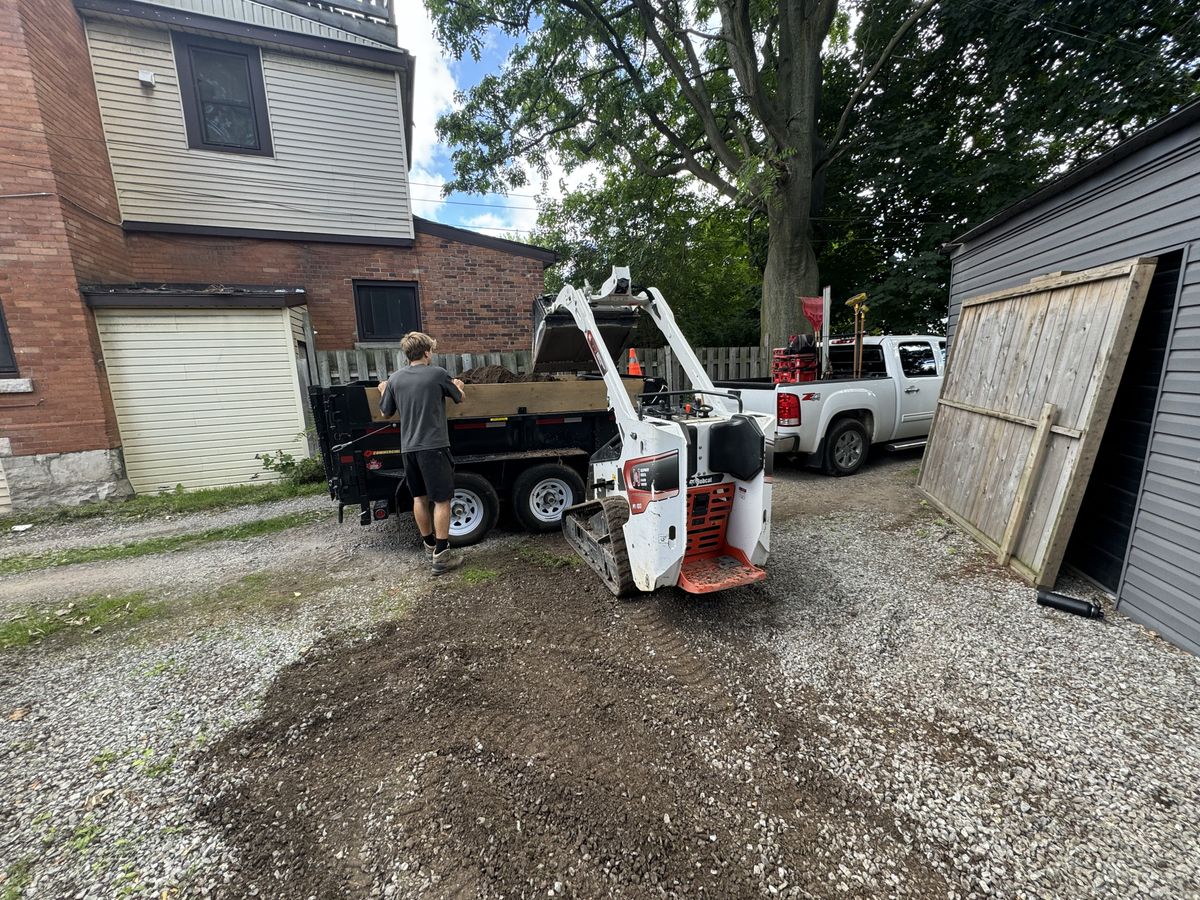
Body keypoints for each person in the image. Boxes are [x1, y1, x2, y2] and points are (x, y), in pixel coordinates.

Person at [378, 332, 467, 575]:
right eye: (432, 350)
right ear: (426, 352)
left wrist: (383, 390)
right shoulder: (437, 374)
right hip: (434, 448)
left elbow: (386, 412)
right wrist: (458, 385)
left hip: (409, 449)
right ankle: (442, 555)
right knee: (442, 500)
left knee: (419, 498)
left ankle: (429, 545)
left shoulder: (395, 379)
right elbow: (459, 398)